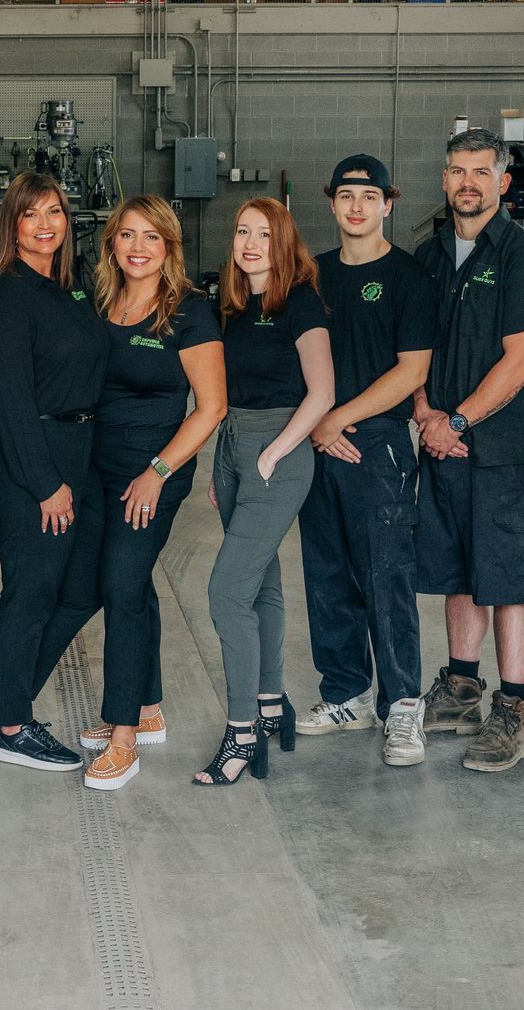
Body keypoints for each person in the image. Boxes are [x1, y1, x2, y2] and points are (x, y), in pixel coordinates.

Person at [24, 196, 226, 792]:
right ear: (111, 242)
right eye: (127, 236)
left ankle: (123, 738)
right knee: (124, 583)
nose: (138, 248)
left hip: (153, 470)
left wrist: (158, 471)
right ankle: (147, 705)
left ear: (170, 246)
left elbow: (211, 407)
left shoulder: (188, 310)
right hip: (96, 465)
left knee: (121, 585)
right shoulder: (99, 302)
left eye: (152, 238)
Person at [413, 127, 524, 774]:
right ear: (444, 180)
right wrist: (425, 414)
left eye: (481, 171)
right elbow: (410, 349)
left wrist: (460, 420)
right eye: (457, 171)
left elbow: (522, 360)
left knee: (507, 578)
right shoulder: (428, 255)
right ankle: (461, 686)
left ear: (503, 182)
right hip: (439, 444)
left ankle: (514, 710)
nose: (467, 183)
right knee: (456, 570)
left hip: (501, 450)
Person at [0, 173, 110, 772]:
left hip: (80, 449)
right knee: (31, 591)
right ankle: (11, 727)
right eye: (31, 215)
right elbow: (11, 399)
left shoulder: (73, 289)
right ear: (11, 226)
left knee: (84, 588)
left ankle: (1, 691)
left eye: (55, 213)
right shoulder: (7, 295)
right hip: (31, 459)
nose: (46, 225)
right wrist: (46, 484)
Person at [296, 155, 434, 766]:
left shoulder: (408, 277)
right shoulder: (311, 276)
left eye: (368, 195)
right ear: (332, 203)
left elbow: (413, 370)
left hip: (374, 442)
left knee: (387, 577)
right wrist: (316, 428)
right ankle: (346, 693)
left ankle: (403, 705)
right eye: (346, 194)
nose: (356, 205)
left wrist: (338, 418)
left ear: (388, 204)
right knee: (327, 574)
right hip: (317, 443)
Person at [196, 199, 333, 786]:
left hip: (279, 453)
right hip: (231, 448)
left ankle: (241, 732)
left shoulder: (300, 302)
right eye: (242, 231)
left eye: (264, 234)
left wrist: (275, 453)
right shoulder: (228, 307)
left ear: (285, 242)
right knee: (261, 583)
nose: (250, 243)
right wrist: (221, 461)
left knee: (226, 592)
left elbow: (322, 392)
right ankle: (272, 701)